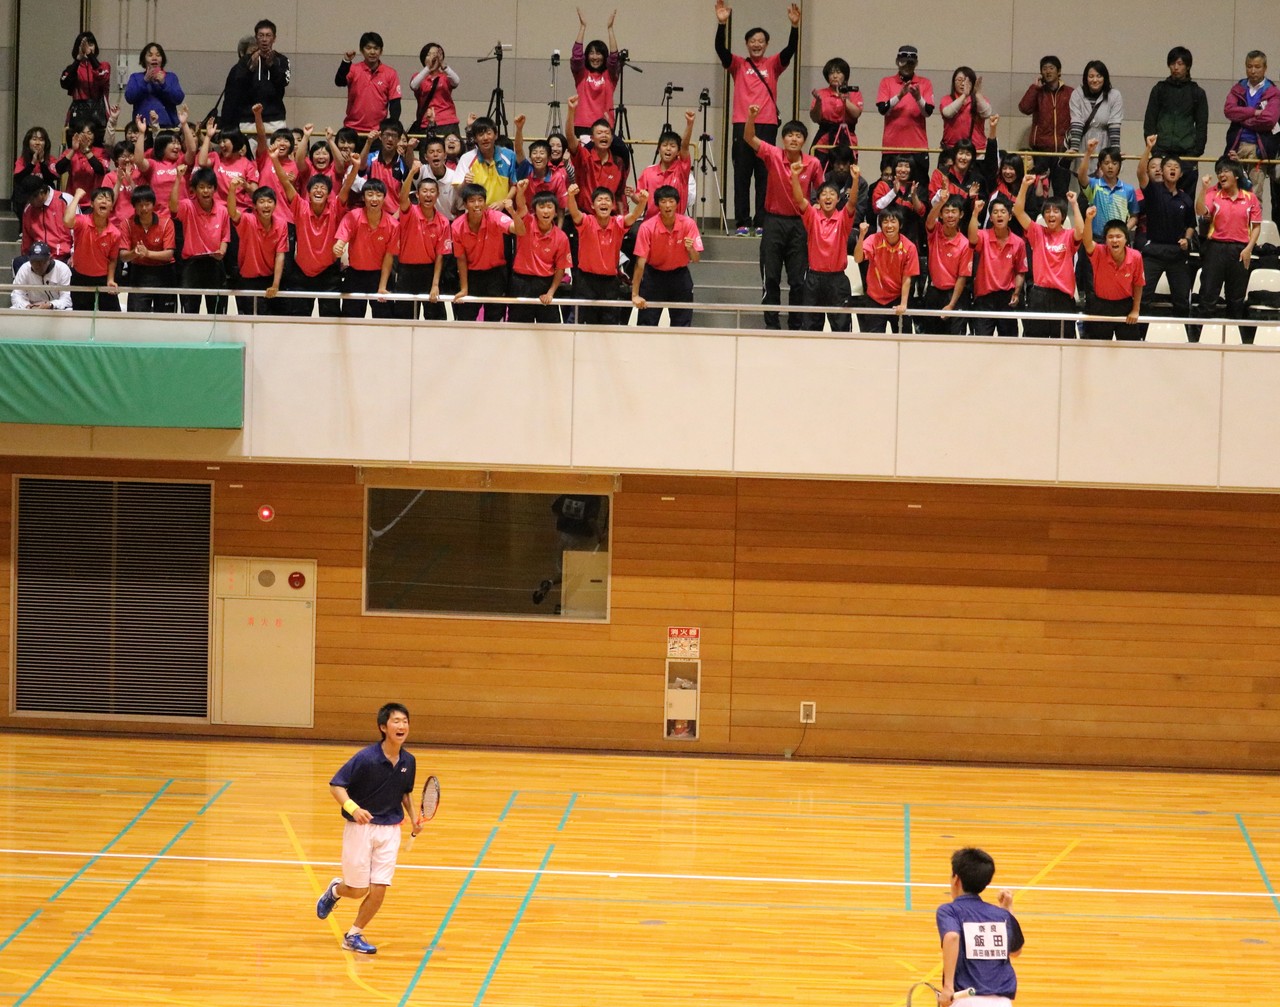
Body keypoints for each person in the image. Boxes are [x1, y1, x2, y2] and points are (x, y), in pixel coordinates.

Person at [315, 702, 421, 956]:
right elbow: (336, 785)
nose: (402, 726)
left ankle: (353, 934)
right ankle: (335, 890)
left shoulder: (408, 761)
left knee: (380, 887)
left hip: (390, 829)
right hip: (360, 827)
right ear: (383, 727)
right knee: (358, 889)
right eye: (396, 721)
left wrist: (414, 818)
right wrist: (353, 809)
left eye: (405, 721)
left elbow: (405, 792)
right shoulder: (366, 758)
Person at [714, 0, 801, 236]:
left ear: (766, 44)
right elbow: (720, 50)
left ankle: (762, 221)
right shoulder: (738, 65)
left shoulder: (772, 65)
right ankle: (742, 222)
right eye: (752, 41)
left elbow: (790, 51)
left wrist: (794, 27)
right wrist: (721, 24)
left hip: (767, 125)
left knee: (765, 175)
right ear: (747, 44)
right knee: (741, 174)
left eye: (761, 41)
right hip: (742, 125)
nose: (756, 44)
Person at [744, 103, 823, 330]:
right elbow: (749, 137)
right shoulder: (773, 155)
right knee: (771, 277)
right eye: (789, 135)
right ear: (783, 139)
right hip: (773, 223)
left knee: (798, 280)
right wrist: (751, 117)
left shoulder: (813, 163)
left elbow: (823, 192)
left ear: (804, 141)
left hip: (800, 225)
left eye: (798, 136)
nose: (794, 139)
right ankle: (772, 325)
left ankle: (796, 326)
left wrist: (817, 210)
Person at [268, 149, 355, 317]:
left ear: (329, 194)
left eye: (323, 188)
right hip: (301, 274)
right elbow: (285, 183)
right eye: (315, 187)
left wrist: (355, 166)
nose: (319, 191)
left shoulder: (335, 208)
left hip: (329, 274)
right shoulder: (300, 207)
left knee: (330, 321)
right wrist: (274, 160)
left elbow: (346, 187)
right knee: (299, 320)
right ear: (308, 193)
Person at [935, 847, 1024, 1007]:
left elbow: (952, 937)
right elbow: (1015, 951)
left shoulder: (950, 911)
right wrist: (1007, 910)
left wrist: (948, 987)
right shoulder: (1001, 915)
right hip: (1002, 1002)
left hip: (966, 1000)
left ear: (956, 879)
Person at [1136, 135, 1196, 340]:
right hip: (1153, 252)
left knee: (1182, 301)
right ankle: (1140, 336)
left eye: (1176, 167)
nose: (1172, 169)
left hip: (1177, 254)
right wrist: (1148, 148)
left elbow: (1191, 225)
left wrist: (1187, 239)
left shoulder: (1186, 199)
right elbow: (1140, 172)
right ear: (1162, 171)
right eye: (1168, 166)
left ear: (1180, 173)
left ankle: (1181, 337)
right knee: (1144, 297)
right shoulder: (1153, 191)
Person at [1196, 157, 1262, 344]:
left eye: (1225, 171)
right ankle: (1202, 339)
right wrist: (1203, 189)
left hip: (1240, 250)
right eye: (1219, 172)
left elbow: (1256, 226)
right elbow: (1201, 211)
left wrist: (1249, 248)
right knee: (1208, 295)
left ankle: (1234, 340)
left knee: (1236, 299)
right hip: (1215, 248)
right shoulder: (1213, 194)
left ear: (1236, 175)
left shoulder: (1250, 198)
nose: (1221, 175)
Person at [1014, 175, 1085, 338]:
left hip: (1063, 298)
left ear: (1063, 216)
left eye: (1056, 211)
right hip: (1039, 295)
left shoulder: (1069, 235)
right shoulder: (1037, 232)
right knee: (1036, 343)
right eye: (1047, 211)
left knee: (1064, 343)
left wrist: (1074, 204)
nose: (1051, 215)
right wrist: (1024, 186)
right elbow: (1018, 211)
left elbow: (1081, 231)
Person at [790, 161, 857, 331]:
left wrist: (855, 180)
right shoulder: (812, 216)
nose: (828, 197)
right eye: (824, 194)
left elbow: (852, 204)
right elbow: (799, 200)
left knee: (841, 328)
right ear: (818, 199)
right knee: (811, 327)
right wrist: (795, 176)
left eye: (832, 194)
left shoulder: (843, 219)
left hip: (837, 280)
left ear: (838, 199)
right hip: (814, 279)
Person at [567, 183, 647, 324]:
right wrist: (571, 196)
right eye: (599, 200)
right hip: (586, 281)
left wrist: (643, 202)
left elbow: (634, 215)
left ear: (613, 205)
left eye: (607, 200)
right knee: (584, 322)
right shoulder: (586, 221)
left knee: (609, 323)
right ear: (592, 206)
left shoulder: (618, 223)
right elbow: (574, 212)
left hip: (610, 282)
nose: (603, 202)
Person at [384, 162, 452, 320]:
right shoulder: (409, 212)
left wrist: (435, 285)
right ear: (417, 195)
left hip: (429, 272)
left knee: (435, 319)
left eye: (432, 192)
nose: (428, 195)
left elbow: (440, 256)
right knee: (403, 319)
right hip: (406, 272)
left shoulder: (443, 222)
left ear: (437, 195)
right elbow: (402, 198)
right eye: (424, 191)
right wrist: (412, 172)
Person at [451, 181, 525, 322]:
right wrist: (464, 288)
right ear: (465, 205)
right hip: (472, 276)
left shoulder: (494, 216)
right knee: (465, 318)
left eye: (480, 200)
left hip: (495, 275)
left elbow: (520, 231)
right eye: (472, 201)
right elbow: (461, 259)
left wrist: (512, 212)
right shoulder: (456, 226)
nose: (477, 204)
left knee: (494, 319)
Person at [631, 184, 702, 326]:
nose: (667, 205)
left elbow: (696, 259)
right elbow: (640, 263)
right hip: (653, 277)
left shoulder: (688, 224)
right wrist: (635, 294)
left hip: (680, 277)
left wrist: (690, 249)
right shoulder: (647, 227)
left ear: (677, 203)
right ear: (657, 205)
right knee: (646, 324)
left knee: (682, 325)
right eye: (663, 201)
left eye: (671, 201)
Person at [1223, 51, 1280, 220]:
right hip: (1237, 146)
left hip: (1259, 149)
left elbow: (1269, 120)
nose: (1253, 70)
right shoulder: (1238, 88)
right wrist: (1254, 112)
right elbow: (1229, 111)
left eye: (1257, 67)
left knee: (1255, 194)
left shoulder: (1272, 91)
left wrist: (1242, 119)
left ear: (1265, 68)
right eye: (1249, 66)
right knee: (1231, 190)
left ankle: (1253, 232)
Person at [1143, 47, 1207, 194]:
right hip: (1161, 152)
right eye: (1172, 63)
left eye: (1180, 64)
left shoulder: (1197, 92)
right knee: (1159, 197)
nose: (1175, 67)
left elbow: (1202, 126)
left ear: (1188, 66)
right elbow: (1150, 121)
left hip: (1187, 154)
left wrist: (1196, 152)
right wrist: (1154, 150)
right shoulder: (1159, 89)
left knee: (1186, 199)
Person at [333, 178, 400, 319]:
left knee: (384, 320)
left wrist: (382, 287)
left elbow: (389, 258)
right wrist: (338, 246)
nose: (374, 199)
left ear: (384, 198)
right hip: (355, 276)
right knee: (350, 320)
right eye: (370, 194)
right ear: (363, 197)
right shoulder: (352, 216)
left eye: (378, 195)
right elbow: (341, 239)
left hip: (380, 275)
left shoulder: (393, 225)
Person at [170, 164, 230, 315]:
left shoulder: (223, 210)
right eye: (201, 187)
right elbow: (173, 206)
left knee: (217, 312)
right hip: (192, 265)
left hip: (215, 263)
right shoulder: (188, 206)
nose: (205, 191)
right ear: (194, 190)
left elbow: (225, 236)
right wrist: (178, 178)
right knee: (190, 312)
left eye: (209, 187)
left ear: (215, 189)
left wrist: (222, 251)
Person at [508, 188, 572, 323]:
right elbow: (521, 205)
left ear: (556, 211)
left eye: (549, 207)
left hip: (545, 284)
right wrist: (520, 191)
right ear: (535, 210)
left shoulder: (561, 237)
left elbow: (560, 268)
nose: (546, 211)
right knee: (519, 329)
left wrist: (550, 293)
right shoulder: (527, 222)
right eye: (541, 207)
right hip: (521, 283)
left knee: (549, 330)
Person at [966, 196, 1027, 337]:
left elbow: (1020, 271)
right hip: (984, 299)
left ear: (1010, 216)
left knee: (1008, 343)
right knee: (982, 343)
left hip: (1006, 299)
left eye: (1003, 212)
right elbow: (972, 238)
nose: (999, 215)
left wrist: (1017, 293)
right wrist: (975, 213)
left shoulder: (1018, 243)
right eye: (995, 212)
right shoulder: (983, 236)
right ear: (991, 218)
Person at [875, 44, 934, 185]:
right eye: (903, 62)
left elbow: (928, 112)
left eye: (911, 63)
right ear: (897, 62)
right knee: (889, 186)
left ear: (916, 64)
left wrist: (918, 98)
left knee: (919, 187)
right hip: (891, 148)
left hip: (917, 148)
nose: (907, 66)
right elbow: (883, 109)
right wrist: (900, 95)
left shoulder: (925, 83)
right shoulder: (886, 82)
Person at [1080, 212, 1144, 340]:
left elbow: (1138, 284)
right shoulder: (1098, 251)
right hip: (1100, 306)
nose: (1114, 240)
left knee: (1129, 347)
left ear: (1126, 239)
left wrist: (1135, 310)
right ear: (1105, 240)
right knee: (1098, 347)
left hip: (1125, 306)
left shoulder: (1136, 256)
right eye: (1110, 237)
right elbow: (1087, 242)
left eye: (1118, 236)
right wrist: (1088, 219)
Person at [226, 180, 286, 315]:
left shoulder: (281, 224)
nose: (266, 205)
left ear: (275, 205)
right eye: (261, 201)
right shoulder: (248, 220)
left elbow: (280, 255)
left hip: (269, 279)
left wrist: (275, 284)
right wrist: (232, 189)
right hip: (247, 280)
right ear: (254, 206)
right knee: (248, 321)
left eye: (270, 201)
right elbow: (232, 213)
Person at [1017, 55, 1072, 197]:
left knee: (1061, 191)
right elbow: (1024, 108)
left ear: (1059, 71)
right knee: (1039, 192)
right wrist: (1034, 88)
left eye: (1051, 68)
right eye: (1044, 68)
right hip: (1041, 150)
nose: (1048, 71)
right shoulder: (1037, 92)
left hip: (1062, 151)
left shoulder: (1070, 93)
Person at [854, 209, 917, 332]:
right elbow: (857, 258)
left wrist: (903, 304)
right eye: (885, 222)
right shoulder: (873, 239)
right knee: (874, 340)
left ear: (900, 225)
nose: (889, 226)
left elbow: (907, 277)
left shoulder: (909, 247)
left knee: (903, 339)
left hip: (897, 298)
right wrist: (861, 235)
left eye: (893, 221)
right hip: (874, 299)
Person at [224, 20, 291, 134]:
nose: (264, 39)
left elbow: (284, 82)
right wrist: (250, 68)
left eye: (268, 35)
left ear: (274, 38)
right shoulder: (245, 60)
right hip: (248, 118)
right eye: (261, 35)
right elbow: (238, 86)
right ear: (256, 38)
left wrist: (272, 66)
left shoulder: (282, 60)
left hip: (275, 118)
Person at [118, 185, 177, 313]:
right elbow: (123, 256)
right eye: (140, 205)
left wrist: (147, 253)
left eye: (147, 204)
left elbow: (169, 254)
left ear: (153, 204)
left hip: (164, 273)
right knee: (137, 317)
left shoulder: (166, 223)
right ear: (134, 206)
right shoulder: (126, 224)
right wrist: (134, 253)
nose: (144, 208)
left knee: (165, 318)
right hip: (139, 273)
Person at [921, 193, 973, 334]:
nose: (950, 215)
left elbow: (962, 277)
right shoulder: (935, 232)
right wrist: (940, 202)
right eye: (946, 211)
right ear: (941, 214)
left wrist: (951, 305)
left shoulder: (965, 244)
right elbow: (929, 221)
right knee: (932, 337)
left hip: (954, 295)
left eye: (954, 211)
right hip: (934, 293)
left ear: (961, 215)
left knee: (955, 339)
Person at [566, 98, 628, 214]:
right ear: (592, 138)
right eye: (599, 133)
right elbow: (570, 139)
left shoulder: (618, 163)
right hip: (585, 217)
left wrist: (622, 219)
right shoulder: (584, 157)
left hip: (610, 217)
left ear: (612, 138)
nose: (604, 135)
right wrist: (571, 111)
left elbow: (619, 195)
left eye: (607, 133)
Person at [63, 186, 121, 311]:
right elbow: (67, 221)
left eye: (108, 200)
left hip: (103, 279)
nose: (104, 201)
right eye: (100, 198)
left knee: (112, 317)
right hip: (80, 278)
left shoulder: (115, 233)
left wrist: (110, 279)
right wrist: (77, 196)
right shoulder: (82, 222)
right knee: (82, 317)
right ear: (92, 204)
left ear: (111, 207)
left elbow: (112, 259)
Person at [337, 33, 402, 134]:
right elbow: (339, 82)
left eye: (376, 48)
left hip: (378, 132)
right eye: (368, 48)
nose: (372, 52)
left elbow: (395, 103)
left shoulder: (390, 73)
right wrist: (346, 61)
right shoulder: (353, 69)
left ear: (381, 51)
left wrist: (392, 128)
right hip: (353, 129)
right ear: (361, 50)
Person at [635, 111, 696, 217]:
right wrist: (632, 195)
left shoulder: (681, 170)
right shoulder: (648, 172)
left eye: (672, 146)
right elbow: (639, 199)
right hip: (652, 223)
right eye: (665, 145)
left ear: (678, 152)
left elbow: (685, 146)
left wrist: (689, 124)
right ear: (659, 149)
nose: (668, 148)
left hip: (676, 223)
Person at [571, 8, 621, 135]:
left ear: (604, 56)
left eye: (598, 53)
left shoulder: (610, 75)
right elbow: (576, 57)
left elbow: (614, 58)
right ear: (587, 56)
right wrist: (582, 27)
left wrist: (610, 29)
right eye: (591, 53)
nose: (595, 57)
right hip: (582, 124)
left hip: (604, 125)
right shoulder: (581, 73)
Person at [1066, 61, 1122, 174]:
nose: (1095, 80)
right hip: (1083, 143)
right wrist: (1074, 149)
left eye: (1099, 76)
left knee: (1105, 177)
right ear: (1085, 78)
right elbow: (1076, 121)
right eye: (1091, 76)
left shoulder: (1114, 95)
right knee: (1083, 179)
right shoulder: (1077, 94)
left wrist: (1115, 150)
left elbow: (1115, 124)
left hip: (1105, 143)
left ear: (1105, 77)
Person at [453, 116, 518, 210]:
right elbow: (459, 192)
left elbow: (514, 186)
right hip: (476, 212)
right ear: (475, 138)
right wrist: (464, 183)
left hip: (501, 211)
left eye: (489, 133)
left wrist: (503, 202)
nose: (485, 138)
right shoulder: (466, 158)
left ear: (496, 135)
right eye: (481, 134)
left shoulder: (509, 155)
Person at [809, 58, 862, 167]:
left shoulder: (853, 93)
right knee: (820, 169)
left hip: (847, 137)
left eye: (838, 72)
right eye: (831, 73)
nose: (834, 76)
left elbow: (856, 114)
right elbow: (815, 118)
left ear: (845, 75)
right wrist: (818, 102)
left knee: (846, 170)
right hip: (825, 138)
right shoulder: (821, 93)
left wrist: (845, 99)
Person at [61, 32, 113, 141]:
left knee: (99, 148)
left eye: (90, 44)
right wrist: (78, 59)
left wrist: (90, 55)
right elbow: (64, 83)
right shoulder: (73, 68)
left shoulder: (104, 66)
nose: (87, 48)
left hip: (99, 114)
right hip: (78, 114)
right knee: (76, 147)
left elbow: (102, 76)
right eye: (83, 45)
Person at [125, 43, 185, 129]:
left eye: (158, 55)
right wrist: (145, 81)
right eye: (150, 55)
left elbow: (178, 99)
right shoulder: (136, 77)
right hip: (143, 126)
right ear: (144, 59)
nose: (154, 58)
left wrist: (163, 84)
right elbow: (130, 98)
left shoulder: (171, 77)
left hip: (168, 126)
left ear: (162, 59)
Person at [410, 43, 461, 137]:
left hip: (448, 122)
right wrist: (428, 68)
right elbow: (414, 85)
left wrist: (444, 66)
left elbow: (456, 81)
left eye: (435, 54)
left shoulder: (445, 77)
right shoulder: (418, 77)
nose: (433, 57)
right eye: (429, 54)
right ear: (423, 58)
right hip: (426, 122)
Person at [940, 67, 990, 158]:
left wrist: (977, 94)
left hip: (977, 151)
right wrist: (964, 96)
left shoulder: (979, 100)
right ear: (953, 82)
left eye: (967, 81)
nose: (963, 84)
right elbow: (947, 113)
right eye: (959, 80)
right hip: (951, 150)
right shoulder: (947, 99)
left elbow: (987, 113)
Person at [11, 242, 72, 310]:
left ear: (49, 259)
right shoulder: (24, 268)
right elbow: (16, 294)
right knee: (13, 309)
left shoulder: (62, 269)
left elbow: (67, 298)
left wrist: (51, 305)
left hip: (55, 308)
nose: (37, 265)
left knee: (69, 310)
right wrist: (27, 305)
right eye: (34, 261)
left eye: (41, 261)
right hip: (31, 308)